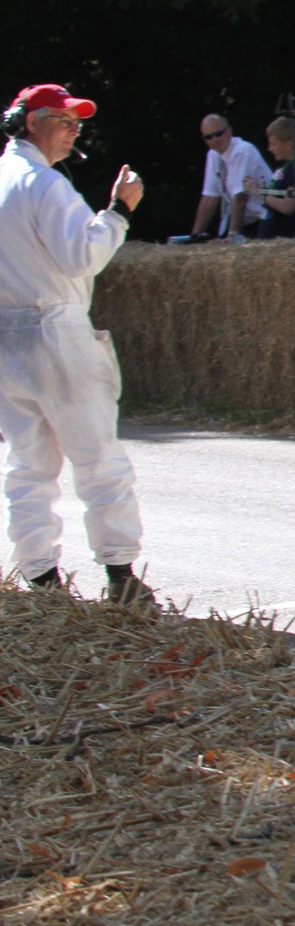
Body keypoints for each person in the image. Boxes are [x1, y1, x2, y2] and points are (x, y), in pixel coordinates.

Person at [0, 84, 155, 608]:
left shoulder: (6, 180)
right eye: (64, 120)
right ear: (32, 122)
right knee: (97, 458)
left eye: (75, 123)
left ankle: (41, 580)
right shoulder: (45, 186)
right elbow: (81, 256)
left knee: (28, 462)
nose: (74, 130)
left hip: (6, 338)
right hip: (54, 331)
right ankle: (121, 576)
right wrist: (119, 210)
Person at [190, 113, 271, 240]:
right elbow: (210, 198)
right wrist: (194, 237)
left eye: (218, 134)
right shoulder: (213, 155)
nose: (215, 139)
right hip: (245, 220)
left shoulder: (243, 150)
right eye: (209, 137)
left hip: (264, 218)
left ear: (229, 130)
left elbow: (240, 197)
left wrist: (233, 235)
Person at [246, 116, 295, 240]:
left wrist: (258, 192)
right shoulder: (284, 166)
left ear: (289, 143)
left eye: (273, 144)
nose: (269, 149)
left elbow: (288, 206)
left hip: (284, 239)